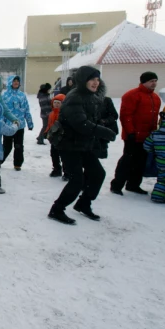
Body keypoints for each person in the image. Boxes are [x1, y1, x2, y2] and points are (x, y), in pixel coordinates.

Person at [47, 66, 116, 225]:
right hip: (69, 145)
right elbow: (81, 124)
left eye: (98, 80)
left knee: (98, 174)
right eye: (92, 79)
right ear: (83, 80)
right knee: (77, 180)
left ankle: (84, 203)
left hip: (84, 144)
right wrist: (103, 132)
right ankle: (57, 209)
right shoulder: (74, 97)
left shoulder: (91, 97)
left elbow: (92, 120)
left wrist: (104, 127)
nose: (95, 83)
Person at [110, 72, 161, 196]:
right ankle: (117, 185)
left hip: (147, 137)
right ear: (143, 82)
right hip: (133, 136)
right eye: (151, 81)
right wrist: (131, 132)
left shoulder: (155, 98)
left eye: (155, 80)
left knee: (141, 162)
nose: (154, 83)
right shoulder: (132, 95)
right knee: (127, 161)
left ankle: (133, 184)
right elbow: (126, 115)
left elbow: (154, 118)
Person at [2, 75, 33, 170]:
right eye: (14, 81)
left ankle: (17, 164)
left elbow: (26, 110)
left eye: (17, 81)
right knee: (7, 146)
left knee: (18, 146)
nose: (16, 82)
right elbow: (1, 111)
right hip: (8, 126)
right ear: (10, 82)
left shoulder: (22, 95)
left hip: (20, 126)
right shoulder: (4, 96)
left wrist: (29, 122)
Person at [143, 111, 165, 203]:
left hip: (162, 162)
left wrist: (153, 151)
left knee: (163, 180)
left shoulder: (155, 134)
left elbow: (146, 145)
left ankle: (157, 196)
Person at [46, 94, 67, 178]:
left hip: (62, 139)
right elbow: (49, 125)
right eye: (55, 102)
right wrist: (46, 132)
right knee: (54, 154)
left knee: (64, 156)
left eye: (59, 103)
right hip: (53, 138)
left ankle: (66, 172)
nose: (56, 104)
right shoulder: (51, 114)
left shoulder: (64, 114)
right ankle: (56, 169)